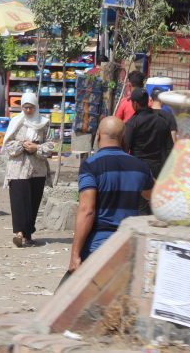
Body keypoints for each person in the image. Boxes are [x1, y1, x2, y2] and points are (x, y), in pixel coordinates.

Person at [68, 117, 153, 272]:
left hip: (98, 247)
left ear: (98, 135)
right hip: (128, 245)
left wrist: (75, 254)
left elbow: (87, 210)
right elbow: (153, 197)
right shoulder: (140, 167)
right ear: (123, 138)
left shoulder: (90, 165)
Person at [3, 91, 57, 247]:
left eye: (31, 107)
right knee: (19, 201)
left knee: (33, 202)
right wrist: (22, 145)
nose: (28, 111)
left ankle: (28, 235)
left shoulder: (44, 123)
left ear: (36, 107)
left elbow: (51, 145)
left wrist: (37, 147)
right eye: (25, 107)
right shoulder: (16, 122)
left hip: (37, 170)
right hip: (17, 169)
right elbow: (8, 144)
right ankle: (19, 233)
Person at [123, 87, 175, 186]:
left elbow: (125, 148)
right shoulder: (162, 120)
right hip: (158, 169)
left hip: (138, 168)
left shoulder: (132, 123)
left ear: (135, 104)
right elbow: (169, 148)